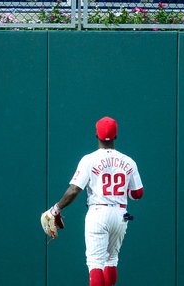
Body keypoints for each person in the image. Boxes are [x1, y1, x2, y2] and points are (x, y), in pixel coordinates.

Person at [43, 116, 143, 286]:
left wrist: (56, 208)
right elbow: (138, 194)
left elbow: (74, 189)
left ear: (96, 135)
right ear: (116, 136)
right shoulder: (129, 161)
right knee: (111, 259)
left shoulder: (89, 159)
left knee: (95, 262)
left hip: (98, 212)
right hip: (121, 215)